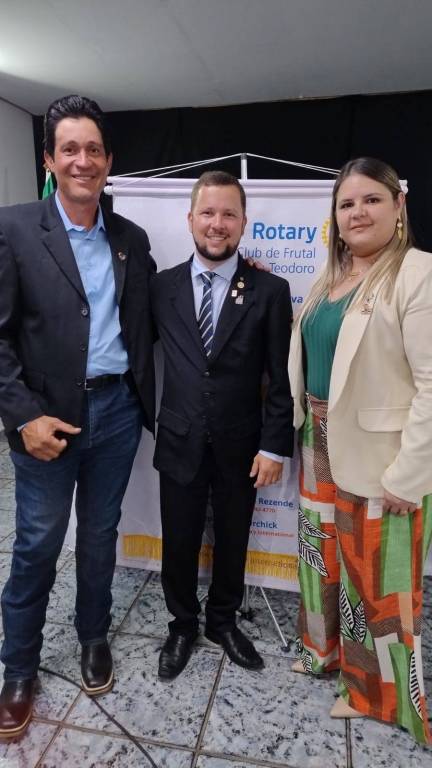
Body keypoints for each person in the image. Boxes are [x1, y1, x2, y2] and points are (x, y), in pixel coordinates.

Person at [0, 95, 156, 738]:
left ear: (109, 161)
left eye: (94, 149)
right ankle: (18, 668)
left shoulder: (130, 239)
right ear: (49, 159)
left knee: (99, 535)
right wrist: (23, 417)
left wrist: (242, 275)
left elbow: (161, 306)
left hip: (117, 410)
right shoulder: (13, 229)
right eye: (70, 149)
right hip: (47, 421)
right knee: (38, 543)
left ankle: (94, 636)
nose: (82, 160)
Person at [288, 156, 432, 744]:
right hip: (317, 440)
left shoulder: (417, 273)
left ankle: (380, 696)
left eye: (372, 199)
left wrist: (409, 474)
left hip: (380, 458)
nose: (358, 212)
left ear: (399, 206)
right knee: (321, 559)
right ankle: (324, 653)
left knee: (377, 584)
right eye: (346, 203)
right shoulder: (330, 278)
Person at [151, 171, 294, 680]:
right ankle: (182, 624)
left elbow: (281, 377)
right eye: (208, 213)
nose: (218, 223)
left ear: (243, 222)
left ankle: (222, 621)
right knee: (179, 540)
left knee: (233, 539)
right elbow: (131, 350)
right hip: (179, 438)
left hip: (242, 443)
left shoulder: (270, 290)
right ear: (190, 219)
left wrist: (274, 447)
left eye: (229, 214)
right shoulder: (160, 288)